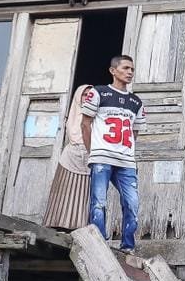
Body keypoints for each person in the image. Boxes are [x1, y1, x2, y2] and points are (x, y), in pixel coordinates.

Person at [80, 55, 146, 253]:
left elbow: (135, 132)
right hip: (101, 156)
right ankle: (100, 242)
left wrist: (127, 150)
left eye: (132, 69)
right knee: (99, 201)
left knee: (132, 202)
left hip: (126, 160)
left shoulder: (136, 102)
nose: (129, 72)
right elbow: (85, 123)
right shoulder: (98, 93)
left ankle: (128, 245)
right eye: (125, 68)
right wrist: (93, 151)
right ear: (113, 70)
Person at [43, 83, 92, 230]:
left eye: (91, 95)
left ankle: (79, 226)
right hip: (70, 158)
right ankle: (57, 224)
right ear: (78, 97)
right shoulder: (73, 114)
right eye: (85, 94)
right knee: (65, 192)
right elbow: (75, 135)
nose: (88, 97)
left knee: (83, 194)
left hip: (89, 158)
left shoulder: (97, 116)